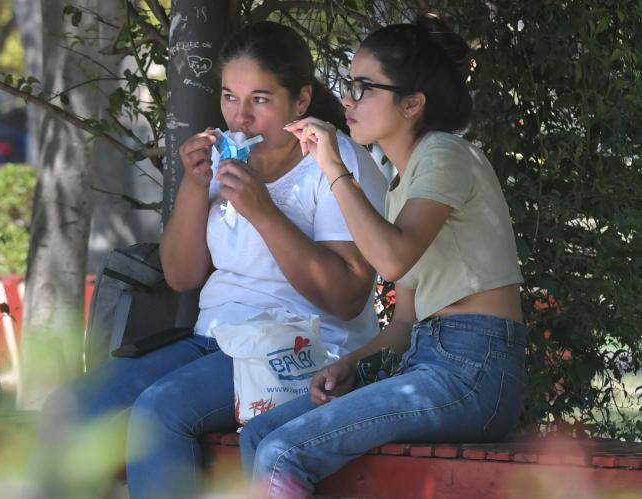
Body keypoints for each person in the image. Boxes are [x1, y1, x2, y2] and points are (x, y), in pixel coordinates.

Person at [31, 21, 387, 499]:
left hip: (300, 348)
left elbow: (347, 297)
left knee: (158, 414)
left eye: (260, 99)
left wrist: (264, 213)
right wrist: (195, 188)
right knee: (68, 408)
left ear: (300, 102)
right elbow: (182, 276)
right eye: (229, 97)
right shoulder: (223, 158)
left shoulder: (334, 162)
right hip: (214, 340)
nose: (240, 118)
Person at [242, 14, 527, 498]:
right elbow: (403, 324)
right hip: (429, 361)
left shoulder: (445, 155)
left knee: (282, 453)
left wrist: (332, 166)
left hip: (475, 372)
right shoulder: (402, 186)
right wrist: (351, 362)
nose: (348, 100)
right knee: (258, 435)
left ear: (413, 103)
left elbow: (392, 260)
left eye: (364, 87)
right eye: (349, 86)